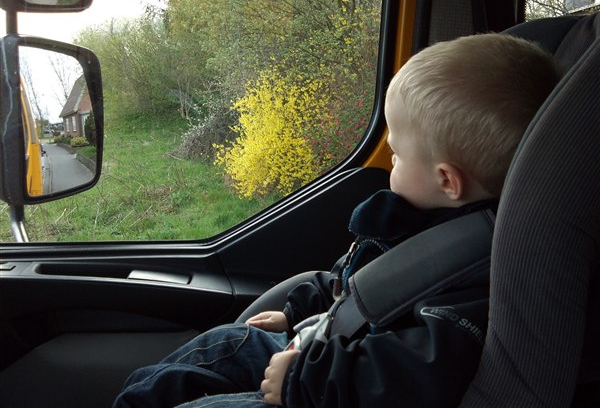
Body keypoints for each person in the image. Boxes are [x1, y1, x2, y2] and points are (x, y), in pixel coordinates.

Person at [113, 33, 561, 408]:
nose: (388, 161)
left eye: (397, 153)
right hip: (319, 353)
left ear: (446, 180)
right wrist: (296, 311)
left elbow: (421, 371)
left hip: (328, 385)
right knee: (222, 346)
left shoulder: (481, 275)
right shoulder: (412, 223)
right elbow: (353, 286)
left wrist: (305, 380)